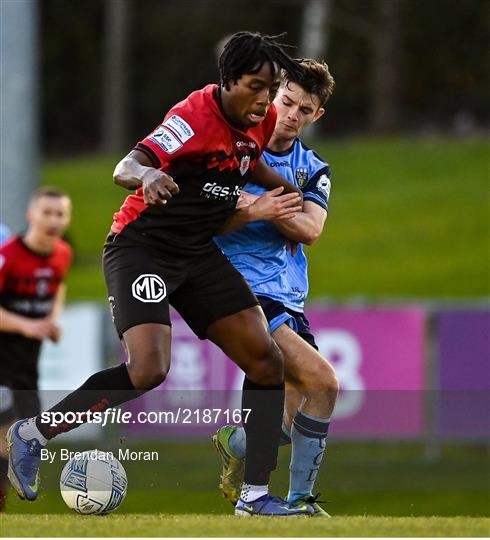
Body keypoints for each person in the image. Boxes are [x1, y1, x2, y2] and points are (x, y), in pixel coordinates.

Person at [7, 32, 315, 517]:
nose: (264, 100)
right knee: (149, 369)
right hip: (141, 249)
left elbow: (247, 161)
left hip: (197, 253)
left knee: (265, 360)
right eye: (256, 86)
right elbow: (126, 165)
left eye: (270, 86)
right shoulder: (191, 117)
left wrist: (285, 194)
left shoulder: (263, 118)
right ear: (229, 80)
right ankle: (32, 432)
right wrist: (148, 176)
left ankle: (254, 497)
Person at [213, 59, 339, 517]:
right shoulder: (238, 148)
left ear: (315, 116)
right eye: (286, 101)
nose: (290, 114)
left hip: (288, 295)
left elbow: (312, 230)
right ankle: (300, 500)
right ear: (273, 95)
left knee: (283, 424)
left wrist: (261, 205)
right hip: (242, 288)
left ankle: (235, 441)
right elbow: (213, 213)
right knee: (325, 381)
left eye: (303, 109)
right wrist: (268, 208)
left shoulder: (313, 167)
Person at [0, 187, 72, 510]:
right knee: (5, 430)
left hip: (28, 362)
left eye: (60, 214)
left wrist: (52, 320)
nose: (53, 220)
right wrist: (29, 326)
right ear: (31, 215)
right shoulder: (8, 255)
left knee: (27, 435)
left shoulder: (62, 254)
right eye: (46, 212)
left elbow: (58, 288)